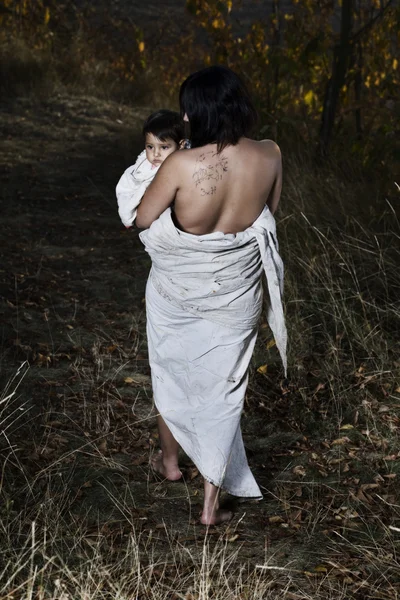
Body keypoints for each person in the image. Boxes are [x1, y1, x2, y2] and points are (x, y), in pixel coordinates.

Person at [135, 65, 287, 526]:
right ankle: (209, 505)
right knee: (224, 392)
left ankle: (170, 462)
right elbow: (269, 212)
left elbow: (143, 219)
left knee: (171, 368)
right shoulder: (270, 154)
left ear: (195, 113)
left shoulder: (182, 164)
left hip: (177, 291)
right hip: (236, 294)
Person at [116, 110, 184, 228]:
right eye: (150, 147)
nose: (156, 153)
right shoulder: (142, 167)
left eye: (164, 147)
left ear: (181, 145)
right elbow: (127, 186)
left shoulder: (182, 166)